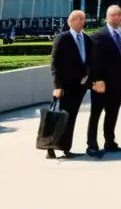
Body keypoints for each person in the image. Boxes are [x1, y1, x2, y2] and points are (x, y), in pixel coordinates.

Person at [47, 10, 92, 159]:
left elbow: (90, 61)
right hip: (64, 87)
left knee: (71, 118)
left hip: (79, 88)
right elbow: (55, 63)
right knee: (57, 117)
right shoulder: (62, 38)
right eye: (76, 19)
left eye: (82, 19)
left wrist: (88, 77)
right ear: (69, 22)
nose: (79, 21)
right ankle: (50, 149)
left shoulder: (87, 39)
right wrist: (57, 86)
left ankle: (66, 147)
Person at [86, 5, 121, 158]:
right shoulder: (98, 36)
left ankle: (109, 141)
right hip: (101, 84)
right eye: (112, 15)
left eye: (118, 14)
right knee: (95, 115)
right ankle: (91, 144)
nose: (116, 17)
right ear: (106, 18)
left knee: (112, 114)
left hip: (118, 84)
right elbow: (92, 61)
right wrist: (95, 80)